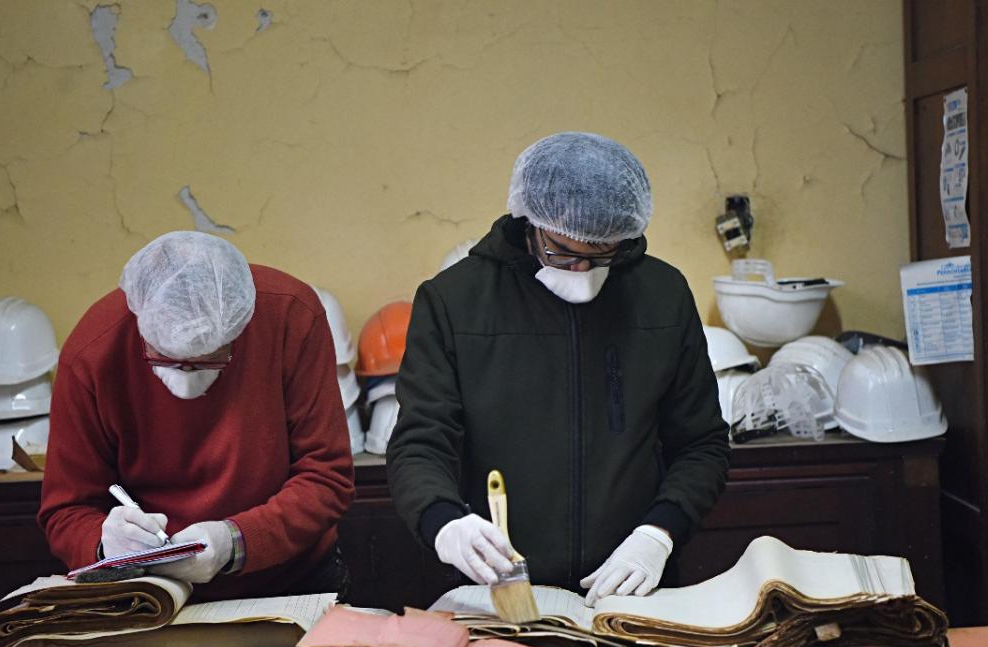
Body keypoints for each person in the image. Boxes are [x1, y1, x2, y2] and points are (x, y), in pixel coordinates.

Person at [387, 131, 731, 606]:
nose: (580, 272)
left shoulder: (662, 296)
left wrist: (660, 532)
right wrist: (443, 520)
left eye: (601, 254)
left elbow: (701, 444)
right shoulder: (454, 302)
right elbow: (420, 442)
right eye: (562, 252)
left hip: (631, 587)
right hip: (499, 589)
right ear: (529, 222)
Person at [39, 231, 355, 599]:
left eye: (211, 358)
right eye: (166, 358)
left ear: (240, 327)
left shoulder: (290, 314)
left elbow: (327, 475)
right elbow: (66, 509)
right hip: (150, 592)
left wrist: (235, 541)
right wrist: (104, 544)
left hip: (290, 580)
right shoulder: (94, 350)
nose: (187, 377)